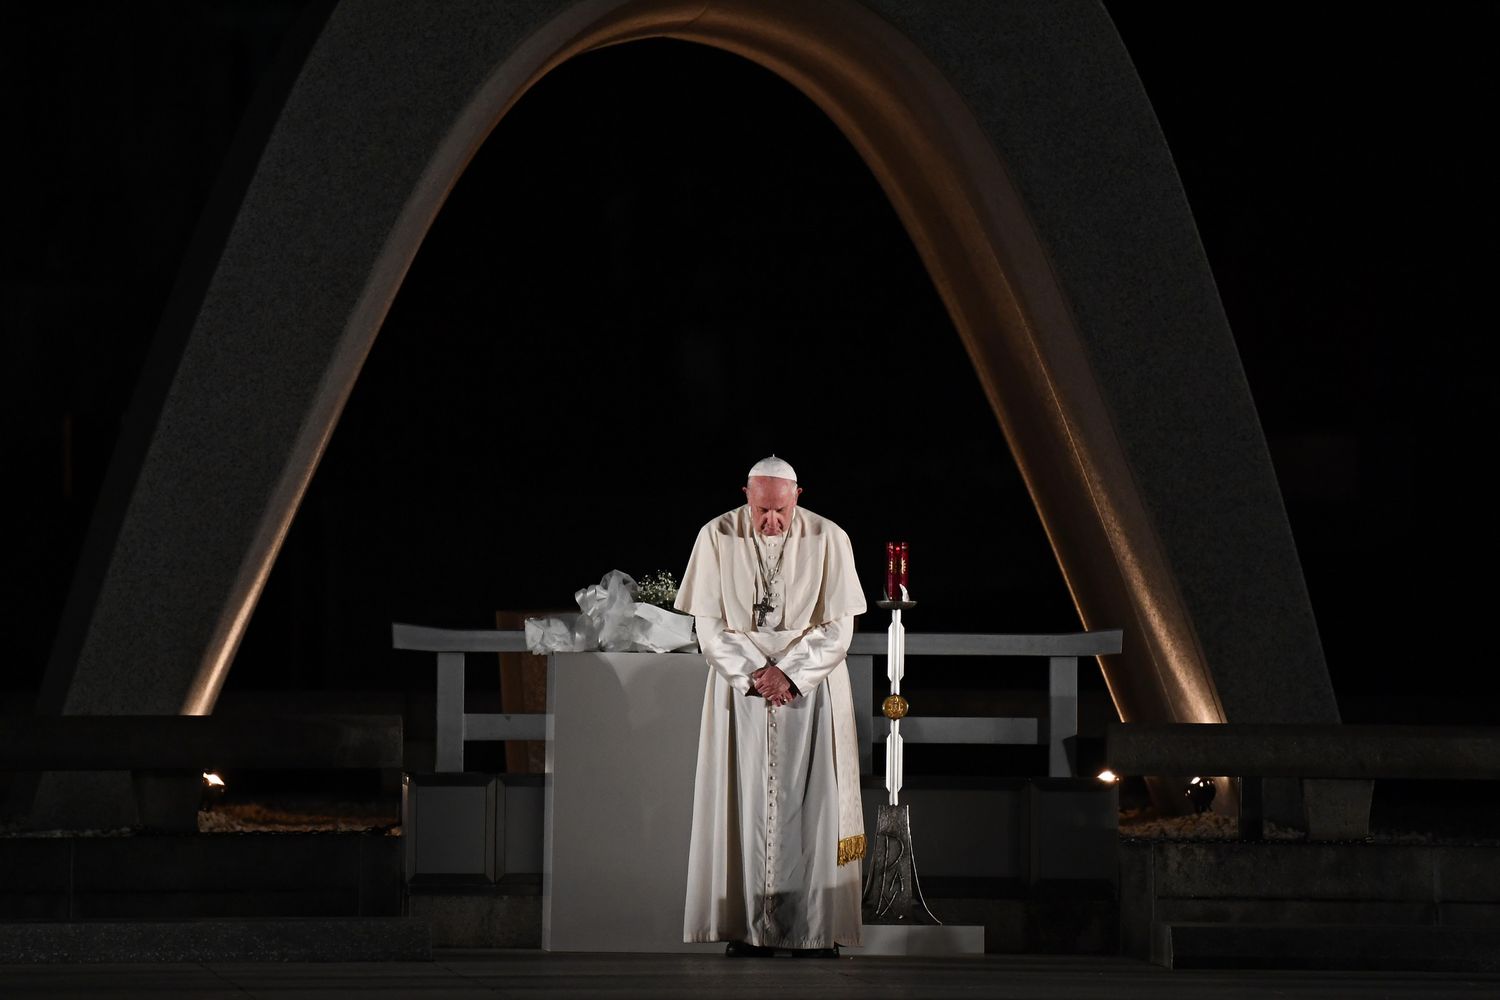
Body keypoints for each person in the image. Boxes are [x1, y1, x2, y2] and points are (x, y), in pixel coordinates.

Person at [676, 456, 867, 957]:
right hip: (742, 692)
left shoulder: (830, 537)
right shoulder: (715, 536)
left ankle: (813, 932)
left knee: (815, 807)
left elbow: (840, 628)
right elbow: (708, 628)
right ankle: (749, 931)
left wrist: (791, 674)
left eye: (781, 510)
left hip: (811, 689)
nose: (772, 521)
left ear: (798, 496)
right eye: (762, 510)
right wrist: (757, 675)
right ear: (746, 495)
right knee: (742, 805)